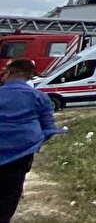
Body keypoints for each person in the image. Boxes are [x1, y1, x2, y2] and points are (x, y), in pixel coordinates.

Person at [0, 59, 65, 223]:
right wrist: (36, 142)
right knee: (8, 198)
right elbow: (48, 128)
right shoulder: (40, 97)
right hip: (20, 156)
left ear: (9, 73)